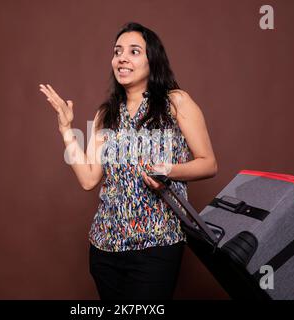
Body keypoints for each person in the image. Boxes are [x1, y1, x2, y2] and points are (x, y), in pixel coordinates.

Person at [39, 22, 217, 300]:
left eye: (134, 51)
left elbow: (208, 163)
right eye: (117, 51)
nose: (122, 57)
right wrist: (66, 129)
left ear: (152, 61)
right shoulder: (105, 114)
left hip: (157, 244)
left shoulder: (176, 102)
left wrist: (168, 170)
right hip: (104, 248)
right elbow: (88, 179)